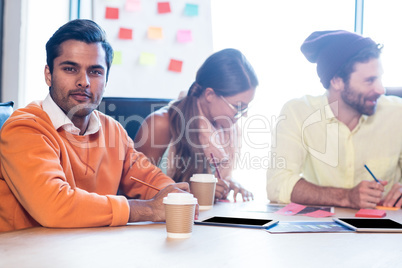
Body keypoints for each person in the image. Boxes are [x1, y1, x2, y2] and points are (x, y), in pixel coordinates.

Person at [0, 19, 192, 232]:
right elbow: (54, 206)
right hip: (23, 257)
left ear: (106, 80)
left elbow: (147, 179)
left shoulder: (113, 130)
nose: (84, 82)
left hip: (86, 251)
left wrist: (174, 196)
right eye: (70, 69)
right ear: (48, 75)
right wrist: (149, 210)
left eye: (95, 72)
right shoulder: (25, 129)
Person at [266, 30, 402, 209]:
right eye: (369, 81)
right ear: (337, 81)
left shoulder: (397, 113)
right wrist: (346, 197)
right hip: (321, 233)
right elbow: (278, 184)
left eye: (379, 78)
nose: (381, 89)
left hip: (385, 232)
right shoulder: (298, 112)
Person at [134, 49, 258, 201]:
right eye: (238, 107)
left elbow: (217, 181)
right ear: (209, 95)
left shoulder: (227, 130)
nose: (244, 114)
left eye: (246, 107)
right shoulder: (160, 124)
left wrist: (229, 184)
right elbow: (135, 188)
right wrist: (188, 193)